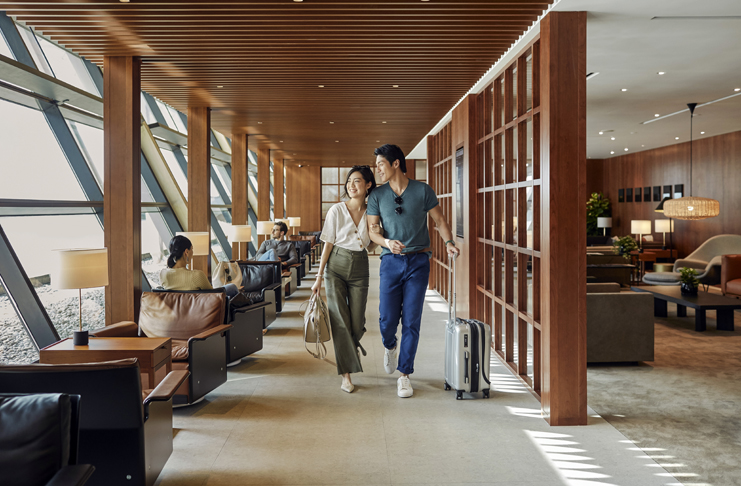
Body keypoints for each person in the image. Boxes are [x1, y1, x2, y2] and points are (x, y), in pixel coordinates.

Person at [367, 144, 459, 398]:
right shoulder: (377, 195)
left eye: (381, 165)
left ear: (396, 163)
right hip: (390, 262)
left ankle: (404, 374)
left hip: (418, 262)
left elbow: (440, 221)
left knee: (411, 320)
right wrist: (387, 242)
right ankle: (389, 345)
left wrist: (449, 243)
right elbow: (372, 230)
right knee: (387, 319)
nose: (378, 170)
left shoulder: (422, 190)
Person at [312, 165, 377, 393]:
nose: (351, 185)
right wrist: (318, 277)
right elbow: (327, 243)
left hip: (360, 265)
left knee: (357, 323)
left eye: (357, 181)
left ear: (368, 185)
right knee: (339, 319)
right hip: (335, 267)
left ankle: (350, 348)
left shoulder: (373, 210)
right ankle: (346, 376)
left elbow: (373, 243)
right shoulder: (336, 211)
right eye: (349, 181)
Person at [160, 235, 239, 298]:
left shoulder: (163, 274)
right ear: (186, 252)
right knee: (232, 287)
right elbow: (213, 295)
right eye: (192, 249)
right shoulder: (197, 275)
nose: (193, 253)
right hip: (199, 311)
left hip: (176, 313)